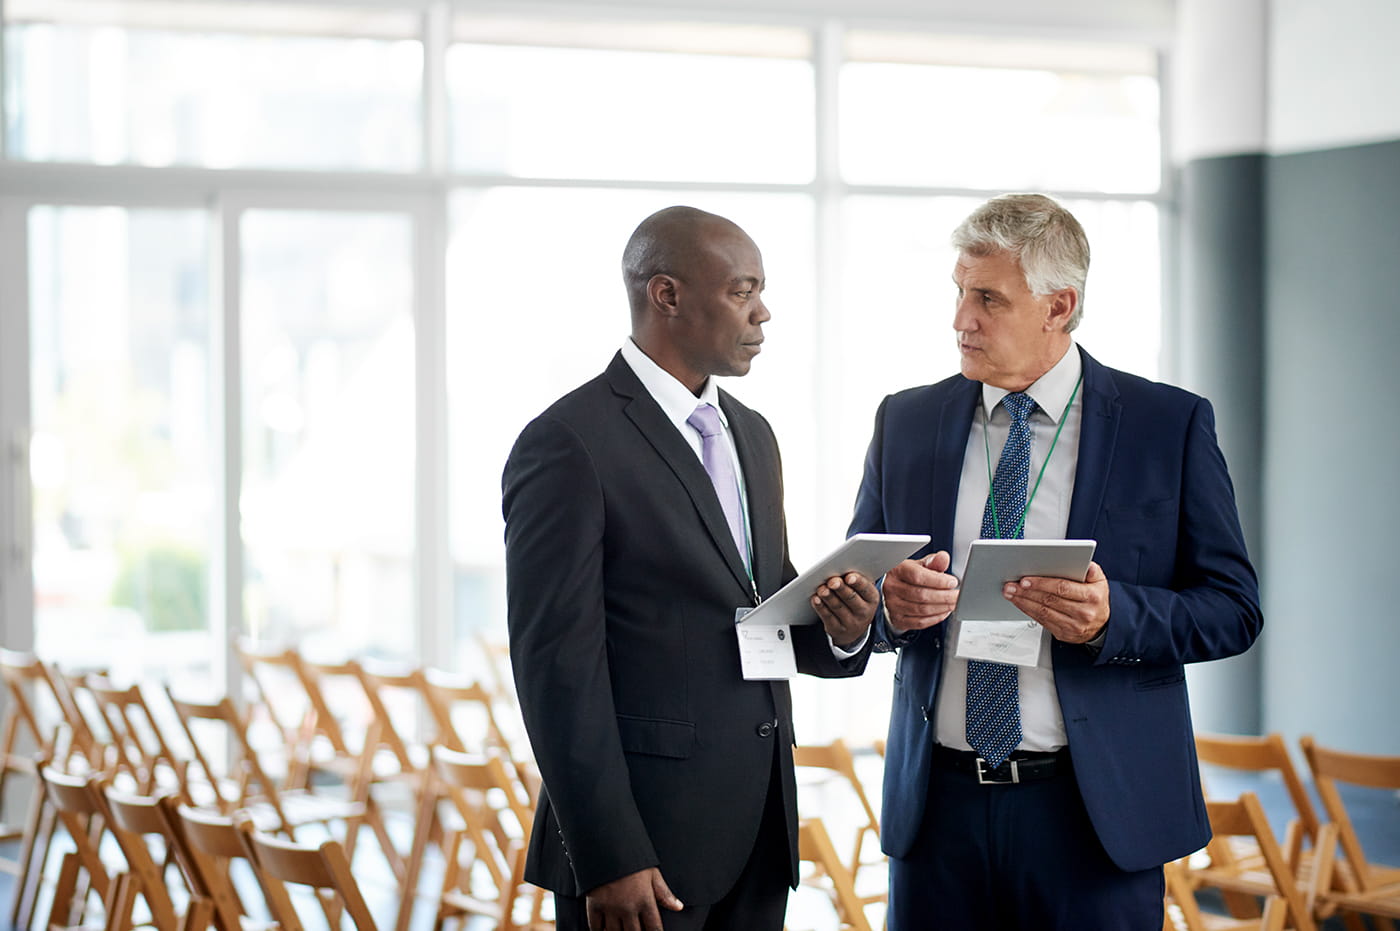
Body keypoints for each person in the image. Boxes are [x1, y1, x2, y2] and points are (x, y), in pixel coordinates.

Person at [849, 193, 1263, 929]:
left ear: (1058, 306)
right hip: (937, 814)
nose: (960, 319)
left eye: (987, 298)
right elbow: (861, 593)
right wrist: (886, 606)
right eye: (958, 292)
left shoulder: (1166, 425)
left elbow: (1233, 608)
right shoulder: (904, 421)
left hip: (1094, 816)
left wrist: (1114, 617)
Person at [502, 205, 880, 931]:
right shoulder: (567, 442)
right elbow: (556, 669)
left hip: (758, 834)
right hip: (639, 852)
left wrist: (842, 628)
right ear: (666, 295)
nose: (763, 313)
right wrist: (608, 853)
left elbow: (762, 602)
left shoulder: (754, 434)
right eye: (743, 290)